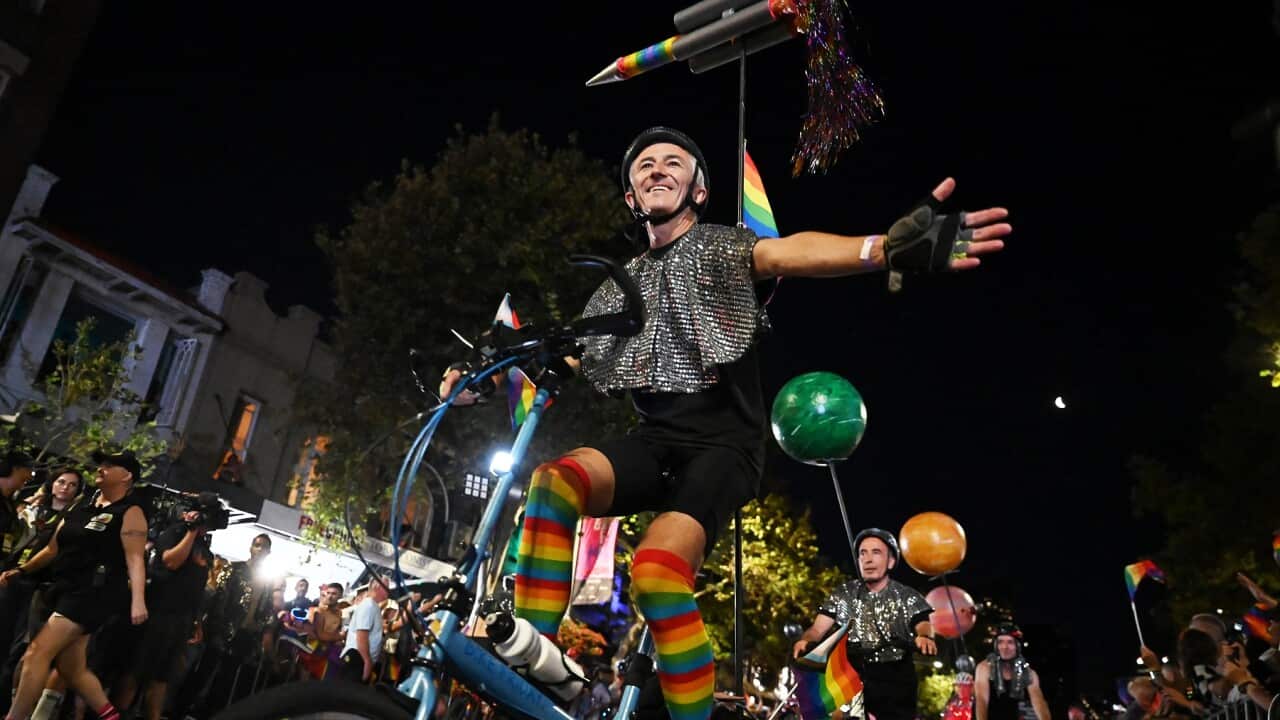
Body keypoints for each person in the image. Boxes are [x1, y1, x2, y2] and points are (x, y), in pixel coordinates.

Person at [442, 127, 1010, 720]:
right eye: (644, 165)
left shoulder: (722, 248)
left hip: (723, 449)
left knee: (656, 575)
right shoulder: (618, 287)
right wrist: (483, 378)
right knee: (552, 482)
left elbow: (789, 253)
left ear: (698, 190)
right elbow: (567, 355)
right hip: (655, 444)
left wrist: (882, 248)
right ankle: (534, 663)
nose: (656, 168)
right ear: (632, 196)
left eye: (673, 162)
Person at [0, 449, 148, 720]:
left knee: (36, 653)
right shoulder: (83, 504)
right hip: (62, 587)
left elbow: (135, 558)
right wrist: (22, 569)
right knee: (73, 669)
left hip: (92, 594)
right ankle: (111, 717)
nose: (101, 468)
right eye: (101, 464)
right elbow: (53, 549)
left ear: (126, 476)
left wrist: (138, 600)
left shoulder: (130, 512)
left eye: (109, 465)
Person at [793, 528, 936, 720]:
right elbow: (817, 629)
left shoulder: (906, 595)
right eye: (863, 553)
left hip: (895, 675)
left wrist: (924, 637)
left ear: (891, 561)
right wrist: (806, 641)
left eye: (876, 552)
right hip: (854, 671)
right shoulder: (844, 594)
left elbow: (922, 623)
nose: (868, 559)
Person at [116, 504, 214, 720]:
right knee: (136, 670)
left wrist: (196, 621)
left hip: (181, 620)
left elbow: (197, 589)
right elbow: (171, 561)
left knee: (161, 678)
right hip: (158, 613)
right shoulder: (175, 533)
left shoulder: (204, 547)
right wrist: (191, 531)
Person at [0, 467, 83, 712]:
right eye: (61, 482)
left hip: (39, 587)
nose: (65, 487)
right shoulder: (30, 508)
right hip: (11, 577)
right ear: (52, 483)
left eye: (72, 485)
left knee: (21, 647)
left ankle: (8, 704)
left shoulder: (72, 519)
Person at [974, 624, 1050, 720]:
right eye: (1000, 642)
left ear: (1017, 646)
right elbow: (982, 700)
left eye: (1010, 642)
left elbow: (1038, 701)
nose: (1005, 647)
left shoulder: (1028, 672)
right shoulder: (984, 668)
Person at [339, 576, 390, 683]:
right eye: (386, 587)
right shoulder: (368, 605)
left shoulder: (373, 605)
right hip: (357, 657)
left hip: (360, 657)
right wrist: (367, 661)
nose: (389, 591)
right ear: (376, 586)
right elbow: (362, 635)